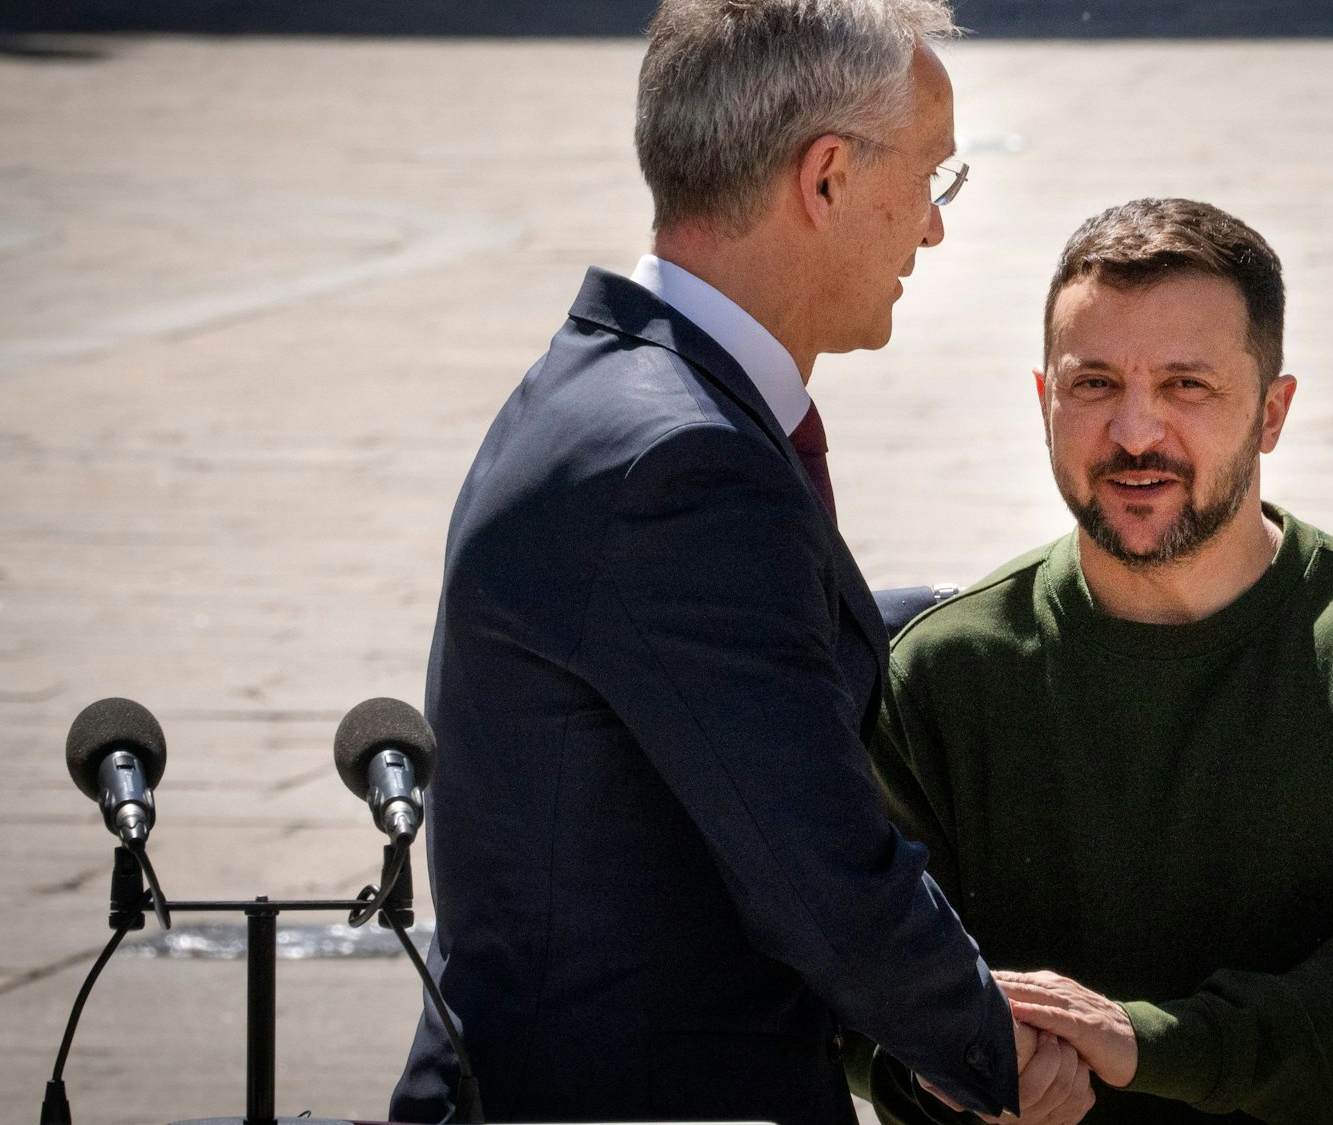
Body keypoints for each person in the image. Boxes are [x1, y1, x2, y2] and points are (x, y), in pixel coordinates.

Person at [390, 2, 1039, 1121]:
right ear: (825, 178)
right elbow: (824, 882)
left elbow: (725, 659)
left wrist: (966, 628)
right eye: (933, 179)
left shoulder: (606, 378)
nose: (932, 230)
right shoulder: (683, 465)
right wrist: (999, 1051)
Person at [852, 198, 1333, 1125]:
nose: (1135, 432)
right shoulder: (943, 672)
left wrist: (1150, 1045)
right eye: (1094, 385)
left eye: (1186, 386)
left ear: (1273, 412)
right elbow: (853, 984)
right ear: (1044, 402)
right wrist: (962, 1065)